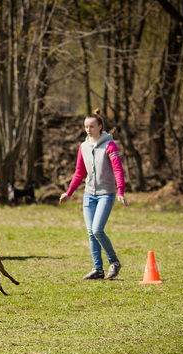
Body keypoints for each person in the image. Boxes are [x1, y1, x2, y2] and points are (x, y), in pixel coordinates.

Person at [59, 109, 127, 280]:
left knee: (97, 230)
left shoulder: (109, 145)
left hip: (106, 194)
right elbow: (79, 172)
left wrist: (120, 190)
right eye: (86, 127)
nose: (88, 130)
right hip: (89, 195)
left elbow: (118, 169)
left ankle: (114, 262)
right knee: (91, 232)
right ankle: (98, 269)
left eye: (92, 126)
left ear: (100, 127)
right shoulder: (83, 147)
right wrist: (69, 192)